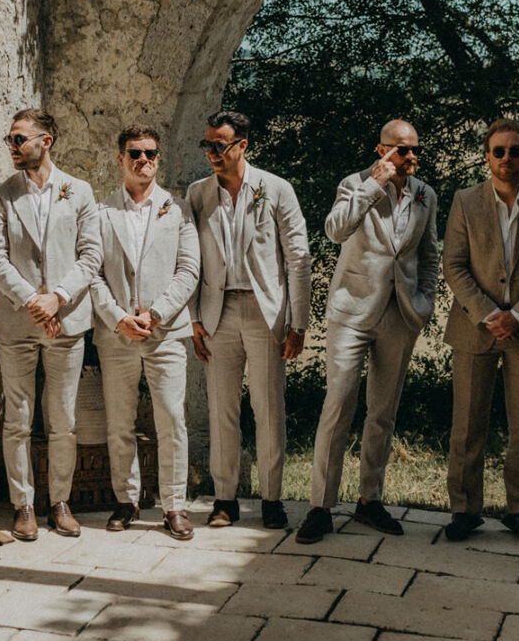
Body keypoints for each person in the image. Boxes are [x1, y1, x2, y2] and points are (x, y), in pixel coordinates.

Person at [298, 120, 440, 544]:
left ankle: (369, 500)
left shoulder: (425, 195)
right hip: (352, 311)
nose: (410, 157)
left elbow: (430, 255)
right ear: (381, 150)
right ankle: (321, 507)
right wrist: (372, 186)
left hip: (401, 316)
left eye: (414, 150)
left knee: (382, 411)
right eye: (401, 150)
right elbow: (334, 229)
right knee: (338, 405)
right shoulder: (354, 183)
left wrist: (425, 303)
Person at [441, 119, 519, 542]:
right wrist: (487, 311)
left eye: (515, 151)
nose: (507, 158)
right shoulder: (465, 202)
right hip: (476, 328)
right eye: (499, 151)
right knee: (467, 426)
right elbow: (453, 264)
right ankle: (463, 509)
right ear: (487, 155)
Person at [0, 108, 103, 542]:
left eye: (19, 139)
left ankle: (60, 502)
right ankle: (24, 504)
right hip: (18, 320)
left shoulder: (80, 191)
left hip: (66, 321)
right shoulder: (0, 195)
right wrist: (33, 300)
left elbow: (91, 255)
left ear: (45, 141)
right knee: (17, 418)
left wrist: (58, 298)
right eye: (9, 141)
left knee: (63, 419)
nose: (11, 147)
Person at [188, 110, 311, 531]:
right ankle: (225, 500)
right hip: (216, 313)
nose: (211, 154)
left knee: (268, 407)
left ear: (242, 146)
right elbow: (189, 262)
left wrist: (298, 323)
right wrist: (193, 318)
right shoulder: (198, 194)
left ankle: (272, 499)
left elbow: (298, 258)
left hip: (265, 312)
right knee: (222, 408)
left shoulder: (276, 189)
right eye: (206, 145)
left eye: (218, 146)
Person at [89, 125, 201, 540]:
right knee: (119, 421)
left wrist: (155, 315)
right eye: (134, 153)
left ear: (159, 158)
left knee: (171, 419)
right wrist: (118, 317)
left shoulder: (179, 209)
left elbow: (189, 270)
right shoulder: (102, 212)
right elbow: (93, 273)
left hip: (165, 332)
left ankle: (175, 505)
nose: (143, 160)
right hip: (117, 334)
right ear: (120, 159)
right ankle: (127, 499)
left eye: (150, 153)